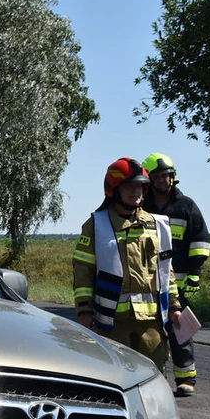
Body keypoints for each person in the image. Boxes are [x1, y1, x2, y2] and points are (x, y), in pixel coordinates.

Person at [73, 157, 182, 371]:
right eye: (130, 186)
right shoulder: (96, 225)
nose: (137, 191)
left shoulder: (157, 224)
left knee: (153, 379)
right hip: (112, 323)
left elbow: (166, 270)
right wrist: (84, 312)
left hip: (151, 323)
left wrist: (175, 307)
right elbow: (83, 271)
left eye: (140, 186)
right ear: (114, 190)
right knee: (115, 377)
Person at [142, 153, 210, 397]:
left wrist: (195, 273)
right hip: (147, 283)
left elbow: (200, 241)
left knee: (180, 330)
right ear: (149, 179)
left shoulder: (186, 206)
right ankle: (154, 379)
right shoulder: (141, 205)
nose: (164, 180)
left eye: (167, 175)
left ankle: (186, 379)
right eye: (158, 176)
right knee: (150, 334)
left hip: (178, 284)